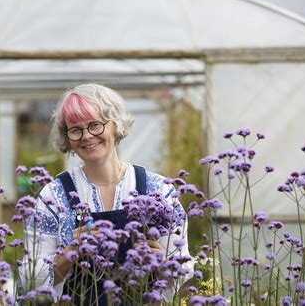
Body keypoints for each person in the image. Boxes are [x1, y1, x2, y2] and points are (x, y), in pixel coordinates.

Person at [20, 83, 193, 304]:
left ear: (115, 125)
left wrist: (161, 261)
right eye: (75, 129)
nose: (86, 135)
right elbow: (32, 279)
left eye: (95, 125)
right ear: (67, 137)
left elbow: (183, 269)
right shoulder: (53, 196)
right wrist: (72, 252)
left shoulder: (156, 189)